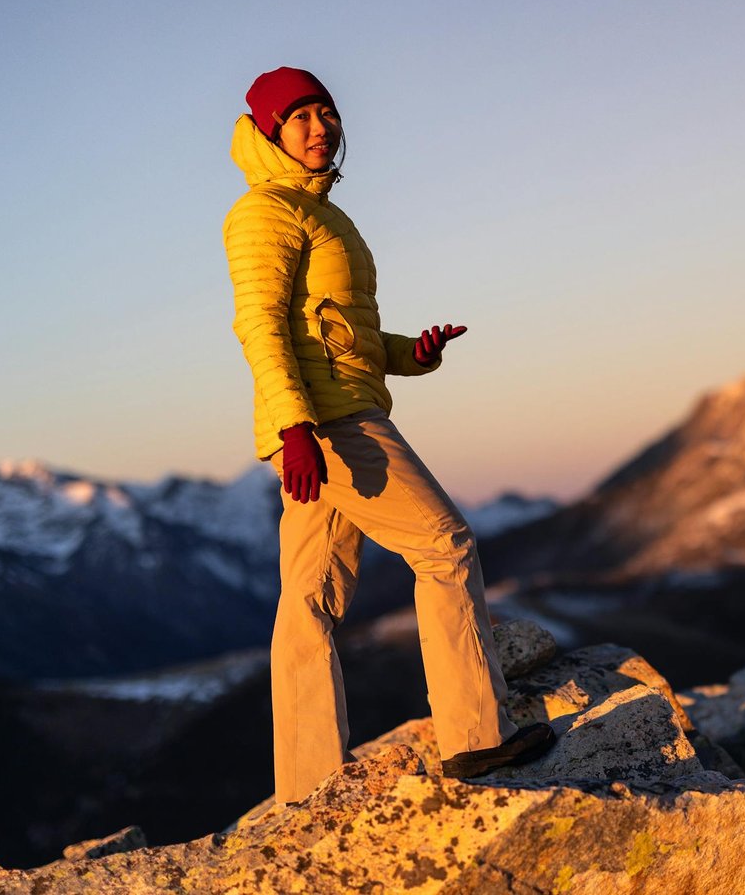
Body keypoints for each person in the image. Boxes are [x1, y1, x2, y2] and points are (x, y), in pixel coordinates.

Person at [222, 66, 554, 804]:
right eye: (301, 117)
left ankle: (305, 787)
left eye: (327, 113)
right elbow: (260, 325)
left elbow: (336, 331)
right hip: (329, 420)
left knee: (309, 598)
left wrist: (410, 354)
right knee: (446, 544)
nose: (319, 127)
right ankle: (476, 736)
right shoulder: (264, 213)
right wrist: (294, 425)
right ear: (271, 131)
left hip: (331, 409)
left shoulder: (321, 213)